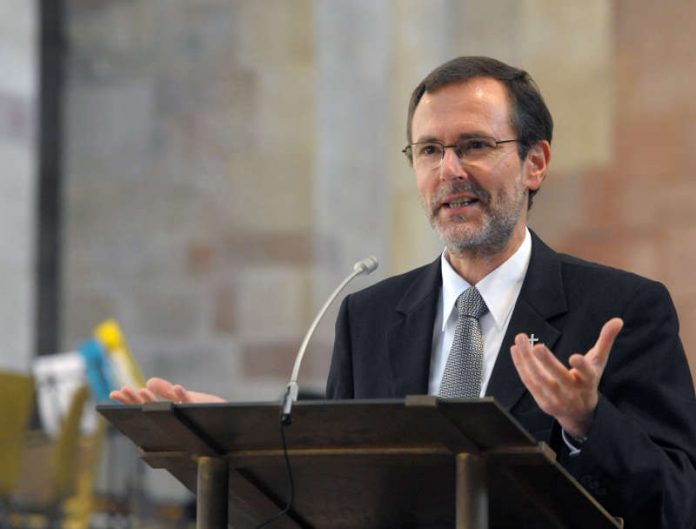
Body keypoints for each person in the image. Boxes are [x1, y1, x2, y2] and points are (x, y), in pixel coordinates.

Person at [111, 56, 696, 529]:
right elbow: (340, 492)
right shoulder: (366, 316)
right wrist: (245, 442)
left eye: (474, 145)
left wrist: (587, 424)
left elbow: (676, 505)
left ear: (534, 162)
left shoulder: (622, 311)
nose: (449, 171)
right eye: (429, 151)